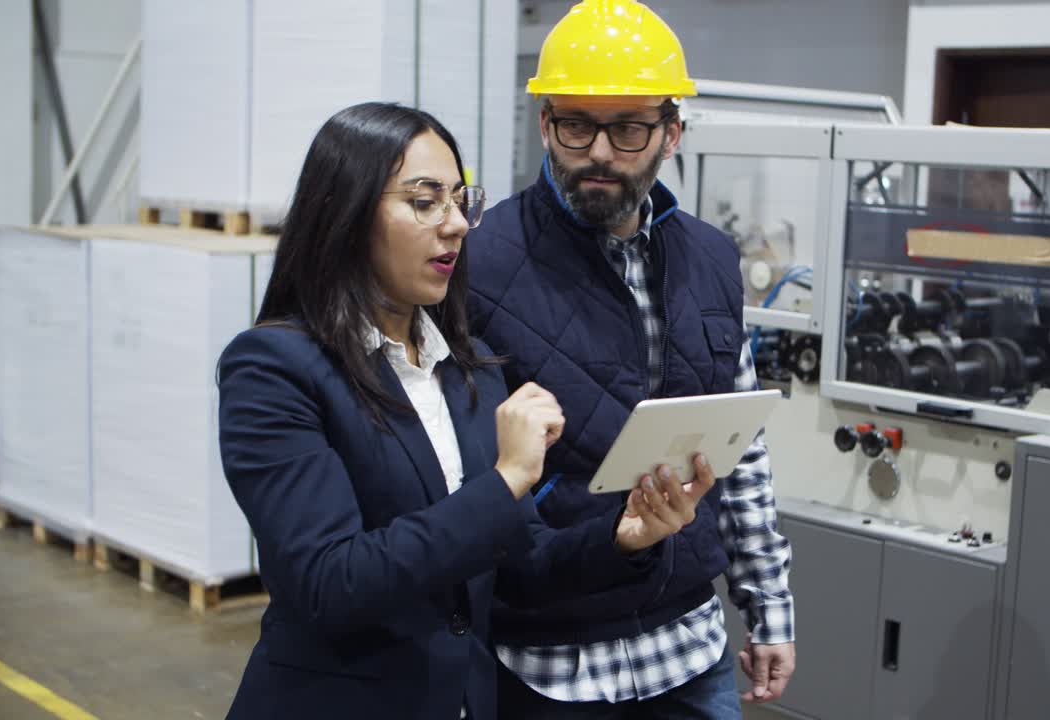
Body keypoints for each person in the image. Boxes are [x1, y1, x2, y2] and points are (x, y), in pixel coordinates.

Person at [217, 102, 717, 720]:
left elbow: (520, 561)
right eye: (425, 202)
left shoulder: (467, 364)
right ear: (344, 215)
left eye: (460, 201)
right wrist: (507, 480)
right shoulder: (275, 368)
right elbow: (330, 583)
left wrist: (622, 537)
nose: (455, 225)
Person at [466, 1, 797, 717]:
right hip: (547, 660)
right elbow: (462, 476)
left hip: (689, 648)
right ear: (546, 123)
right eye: (576, 124)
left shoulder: (709, 259)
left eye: (629, 127)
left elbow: (740, 454)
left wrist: (769, 602)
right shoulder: (480, 264)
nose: (600, 153)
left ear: (672, 131)